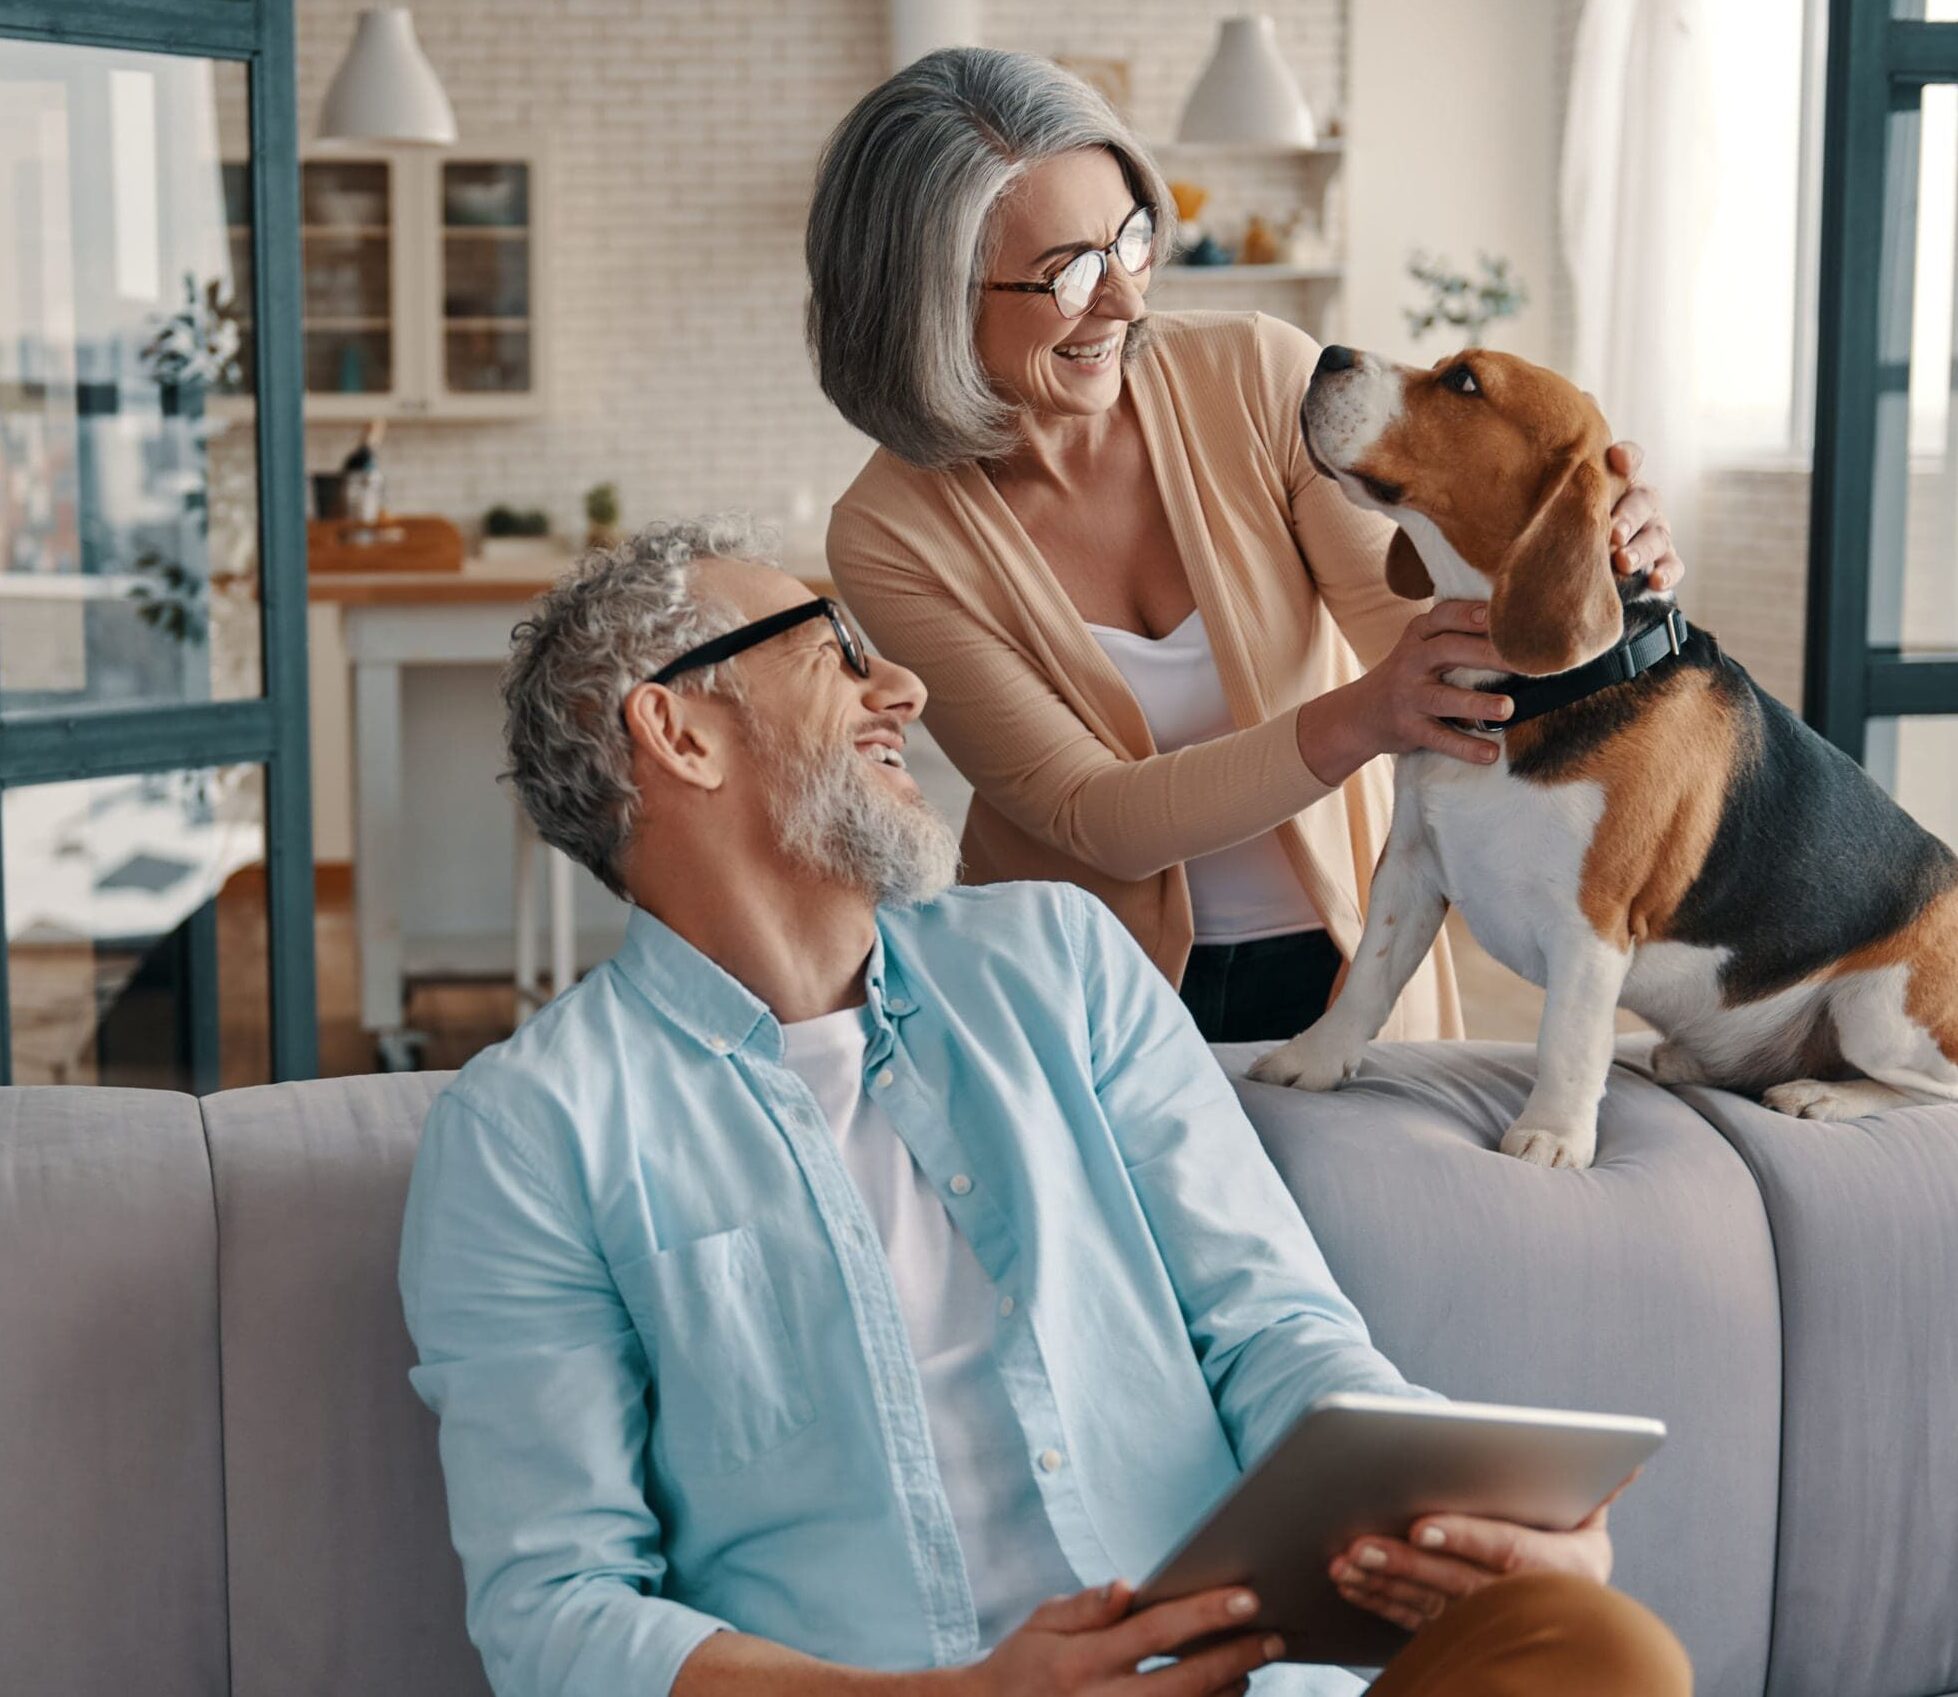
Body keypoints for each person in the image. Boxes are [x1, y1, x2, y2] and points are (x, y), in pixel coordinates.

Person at [399, 520, 1691, 1697]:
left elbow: (1270, 1324)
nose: (898, 688)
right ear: (677, 734)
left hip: (1250, 1671)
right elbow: (557, 1616)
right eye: (834, 654)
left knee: (1593, 1646)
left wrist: (1449, 1510)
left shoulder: (1056, 961)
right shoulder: (530, 1129)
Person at [809, 49, 1684, 1045]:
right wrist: (1361, 716)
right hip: (1079, 998)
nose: (1126, 303)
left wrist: (1582, 551)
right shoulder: (887, 533)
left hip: (1349, 958)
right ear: (929, 296)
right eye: (1069, 273)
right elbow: (1092, 814)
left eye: (1128, 240)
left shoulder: (1257, 374)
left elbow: (1431, 635)